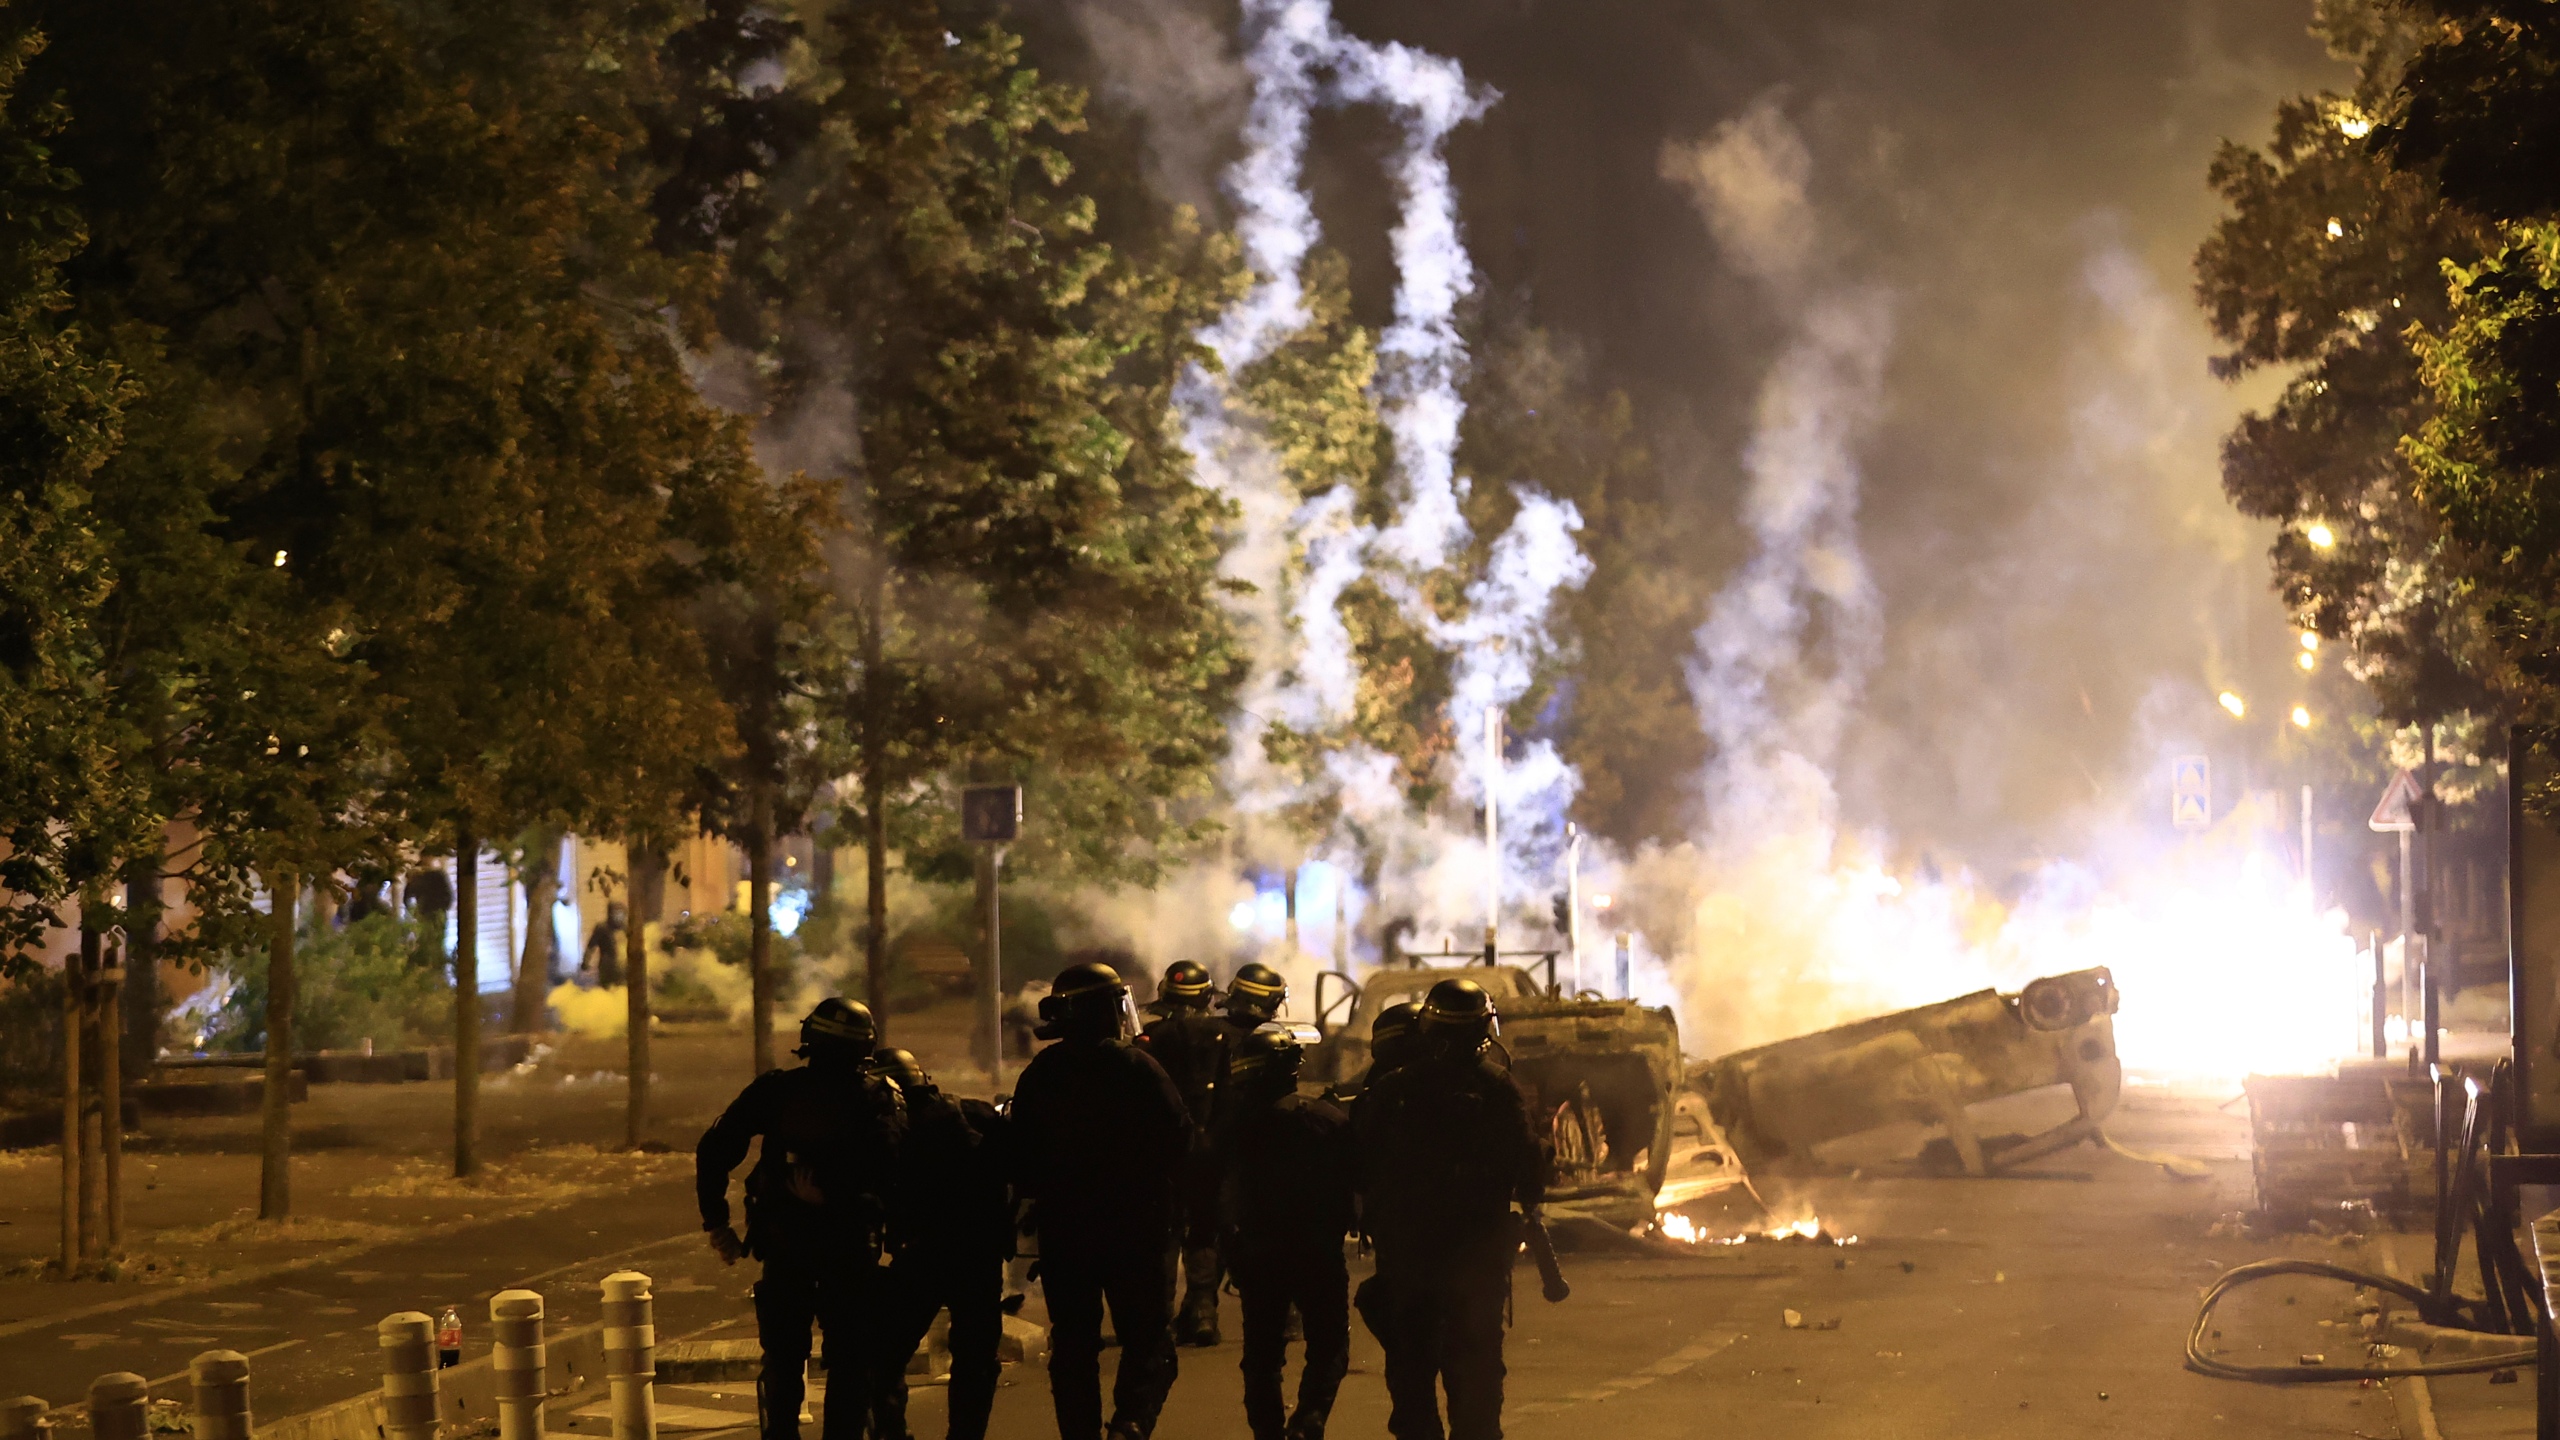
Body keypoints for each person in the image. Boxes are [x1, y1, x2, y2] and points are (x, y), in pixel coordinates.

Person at [696, 998, 907, 1440]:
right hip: (850, 1250)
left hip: (786, 1246)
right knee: (850, 1364)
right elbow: (895, 1175)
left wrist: (718, 1222)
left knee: (784, 1360)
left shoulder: (776, 1090)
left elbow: (714, 1149)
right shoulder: (879, 1096)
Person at [1352, 979, 1546, 1440]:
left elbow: (1357, 1160)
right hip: (1478, 1257)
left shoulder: (1393, 1089)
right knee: (1477, 1367)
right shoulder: (1499, 1090)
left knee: (1411, 1365)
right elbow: (1530, 1170)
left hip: (1408, 1257)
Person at [1008, 961, 1193, 1440]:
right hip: (1138, 1228)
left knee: (1073, 1346)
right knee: (1149, 1341)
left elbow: (1019, 1158)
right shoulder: (1139, 1069)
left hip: (1067, 1233)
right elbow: (1181, 1142)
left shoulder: (1041, 1074)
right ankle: (1130, 1423)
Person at [1217, 1023, 1353, 1440]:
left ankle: (1269, 1432)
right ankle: (1309, 1419)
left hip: (1258, 1254)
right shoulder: (1325, 1118)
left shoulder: (1231, 1128)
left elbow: (1215, 1192)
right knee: (1328, 1345)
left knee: (1262, 1355)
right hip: (1319, 1251)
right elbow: (1358, 1178)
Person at [869, 1047, 1012, 1440]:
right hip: (979, 1256)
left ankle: (891, 1433)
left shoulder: (889, 1129)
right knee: (977, 1359)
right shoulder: (972, 1113)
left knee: (883, 1355)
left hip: (920, 1256)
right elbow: (1018, 1165)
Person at [1137, 960, 1224, 1345]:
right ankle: (1203, 1311)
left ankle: (1159, 1317)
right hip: (1210, 1148)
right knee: (1203, 1229)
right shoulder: (1225, 1037)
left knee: (1164, 1232)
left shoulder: (1148, 1039)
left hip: (1162, 1149)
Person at [582, 901, 628, 987]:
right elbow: (591, 946)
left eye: (621, 914)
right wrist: (585, 961)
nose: (619, 917)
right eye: (617, 914)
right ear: (610, 914)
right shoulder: (602, 929)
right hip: (607, 969)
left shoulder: (626, 930)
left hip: (623, 969)